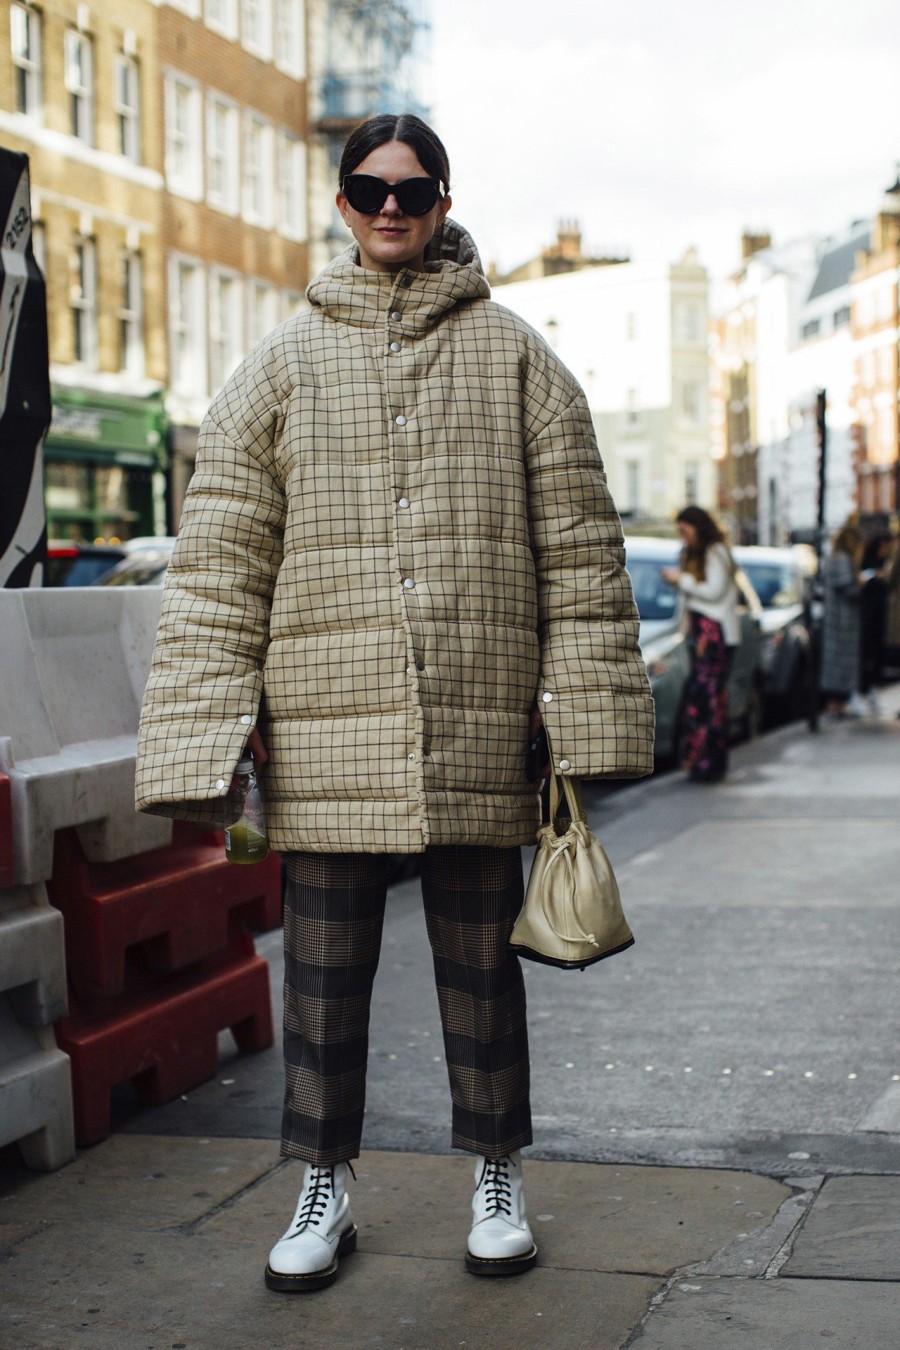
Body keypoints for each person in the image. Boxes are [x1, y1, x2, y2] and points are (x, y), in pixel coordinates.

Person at [135, 113, 654, 1292]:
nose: (389, 208)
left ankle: (497, 1174)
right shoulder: (280, 364)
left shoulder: (518, 356)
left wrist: (578, 710)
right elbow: (221, 561)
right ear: (341, 203)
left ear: (442, 203)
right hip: (323, 727)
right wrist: (214, 718)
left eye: (411, 191)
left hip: (480, 719)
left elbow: (581, 551)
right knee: (322, 982)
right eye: (369, 189)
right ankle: (323, 1184)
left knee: (483, 973)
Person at [661, 505, 739, 783]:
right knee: (704, 699)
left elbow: (714, 591)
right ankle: (703, 761)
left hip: (714, 633)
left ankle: (708, 762)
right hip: (702, 632)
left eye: (685, 530)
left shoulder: (715, 551)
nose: (682, 537)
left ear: (698, 527)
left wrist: (681, 580)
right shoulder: (694, 553)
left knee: (708, 699)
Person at [818, 520, 864, 717]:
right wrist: (862, 585)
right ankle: (836, 702)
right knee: (840, 665)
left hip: (837, 620)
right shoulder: (842, 560)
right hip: (842, 621)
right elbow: (847, 588)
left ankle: (836, 703)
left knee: (836, 665)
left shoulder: (834, 558)